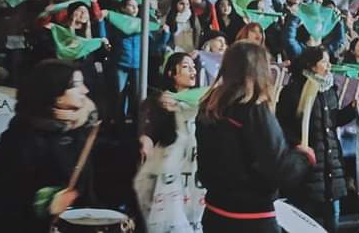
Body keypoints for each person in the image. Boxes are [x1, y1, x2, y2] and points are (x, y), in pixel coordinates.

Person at [196, 42, 315, 233]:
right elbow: (279, 168)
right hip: (251, 219)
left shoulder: (209, 108)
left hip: (215, 214)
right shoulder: (254, 110)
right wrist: (304, 157)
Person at [0, 59, 98, 232]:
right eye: (76, 85)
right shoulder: (20, 142)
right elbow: (1, 201)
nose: (85, 90)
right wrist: (43, 203)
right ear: (55, 94)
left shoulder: (79, 132)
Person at [276, 46, 356, 232]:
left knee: (332, 219)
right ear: (312, 65)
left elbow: (333, 121)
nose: (329, 66)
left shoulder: (329, 89)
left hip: (330, 165)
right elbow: (282, 125)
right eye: (324, 62)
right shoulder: (293, 91)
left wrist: (352, 109)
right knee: (306, 219)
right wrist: (298, 145)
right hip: (307, 167)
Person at [134, 53, 204, 233]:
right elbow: (148, 126)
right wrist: (146, 140)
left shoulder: (202, 101)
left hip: (194, 174)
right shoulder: (158, 100)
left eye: (194, 67)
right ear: (172, 73)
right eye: (186, 66)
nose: (192, 71)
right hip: (167, 176)